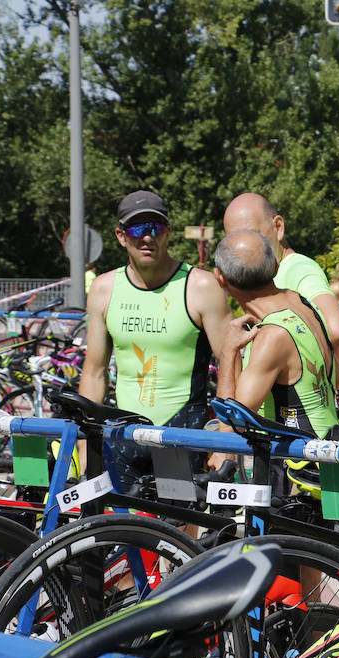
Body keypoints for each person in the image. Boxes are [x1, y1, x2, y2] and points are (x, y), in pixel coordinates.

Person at [79, 190, 231, 486]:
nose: (146, 237)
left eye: (155, 228)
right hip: (124, 434)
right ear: (121, 236)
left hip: (182, 433)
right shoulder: (104, 289)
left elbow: (230, 364)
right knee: (120, 530)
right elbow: (94, 372)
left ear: (168, 233)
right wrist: (85, 444)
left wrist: (226, 439)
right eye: (137, 229)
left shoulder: (199, 286)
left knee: (175, 532)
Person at [213, 230, 339, 442]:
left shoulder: (273, 336)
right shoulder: (303, 304)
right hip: (334, 451)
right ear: (276, 265)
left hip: (301, 468)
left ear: (220, 277)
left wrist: (229, 351)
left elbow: (231, 428)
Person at [222, 193, 339, 357]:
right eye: (234, 241)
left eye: (253, 235)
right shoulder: (271, 273)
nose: (244, 248)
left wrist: (323, 378)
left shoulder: (299, 269)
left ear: (278, 227)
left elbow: (338, 330)